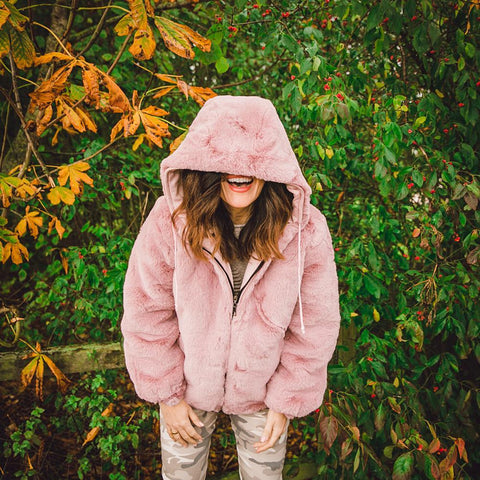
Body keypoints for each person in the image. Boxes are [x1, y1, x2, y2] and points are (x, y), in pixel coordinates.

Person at [121, 95, 341, 480]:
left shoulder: (304, 229)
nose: (239, 169)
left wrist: (286, 400)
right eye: (227, 159)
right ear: (207, 163)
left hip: (264, 396)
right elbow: (146, 310)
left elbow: (316, 322)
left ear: (271, 163)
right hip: (184, 392)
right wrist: (167, 395)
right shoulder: (170, 221)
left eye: (251, 159)